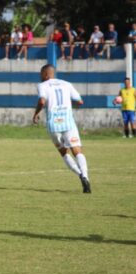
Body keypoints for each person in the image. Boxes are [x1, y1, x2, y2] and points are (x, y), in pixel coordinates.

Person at [32, 64, 91, 193]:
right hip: (68, 122)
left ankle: (80, 175)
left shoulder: (42, 85)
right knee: (77, 151)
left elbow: (42, 101)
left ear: (46, 74)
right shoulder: (66, 84)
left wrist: (36, 113)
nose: (40, 76)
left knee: (64, 153)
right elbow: (80, 101)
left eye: (41, 73)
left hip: (54, 124)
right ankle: (86, 176)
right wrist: (68, 104)